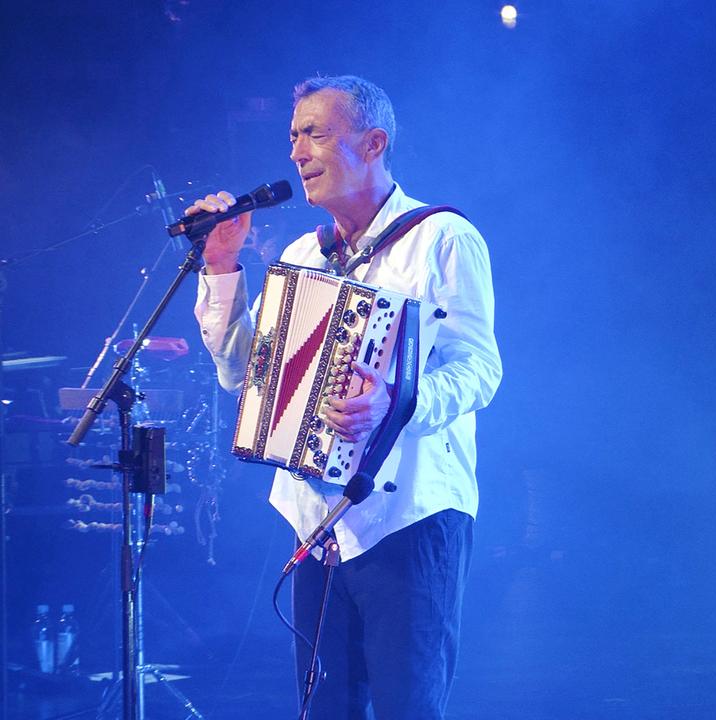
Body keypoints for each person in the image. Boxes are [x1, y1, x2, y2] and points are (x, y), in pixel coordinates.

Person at [190, 75, 502, 719]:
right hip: (319, 524)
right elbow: (244, 375)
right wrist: (221, 265)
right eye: (293, 136)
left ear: (374, 142)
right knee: (327, 708)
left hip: (410, 516)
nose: (296, 151)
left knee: (406, 707)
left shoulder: (441, 237)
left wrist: (398, 400)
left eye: (315, 133)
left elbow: (479, 370)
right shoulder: (305, 252)